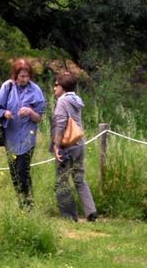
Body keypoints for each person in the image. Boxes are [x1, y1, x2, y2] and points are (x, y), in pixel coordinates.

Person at [0, 57, 46, 208]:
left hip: (27, 137)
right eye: (22, 76)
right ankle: (21, 202)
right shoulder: (7, 87)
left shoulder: (35, 90)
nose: (24, 79)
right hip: (10, 135)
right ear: (15, 75)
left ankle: (28, 203)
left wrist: (30, 111)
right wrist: (5, 114)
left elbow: (39, 118)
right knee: (14, 172)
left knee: (23, 170)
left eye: (27, 76)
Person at [51, 71, 97, 222]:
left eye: (56, 85)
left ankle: (69, 216)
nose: (54, 88)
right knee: (79, 179)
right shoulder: (76, 100)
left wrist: (57, 145)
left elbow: (61, 124)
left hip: (68, 146)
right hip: (79, 144)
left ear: (63, 87)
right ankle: (90, 211)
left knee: (61, 180)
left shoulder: (62, 102)